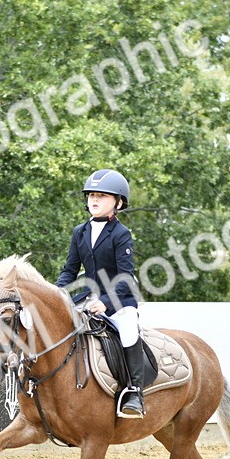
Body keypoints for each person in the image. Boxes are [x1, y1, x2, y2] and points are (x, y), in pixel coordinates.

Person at [56, 168, 145, 418]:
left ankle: (135, 392)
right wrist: (56, 294)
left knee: (128, 331)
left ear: (118, 202)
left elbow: (125, 276)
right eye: (91, 195)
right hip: (87, 297)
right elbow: (69, 270)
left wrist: (106, 302)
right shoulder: (79, 232)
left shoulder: (121, 234)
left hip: (119, 300)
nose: (94, 200)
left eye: (102, 196)